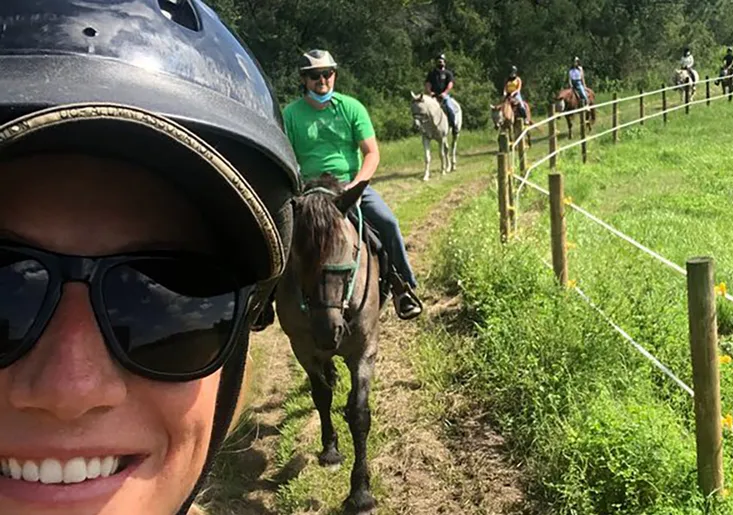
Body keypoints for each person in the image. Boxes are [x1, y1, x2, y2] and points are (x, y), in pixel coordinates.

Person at [0, 1, 297, 515]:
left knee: (375, 224)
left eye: (160, 302)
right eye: (5, 292)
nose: (70, 390)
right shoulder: (301, 114)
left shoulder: (347, 110)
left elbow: (368, 152)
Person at [282, 50, 423, 320]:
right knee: (279, 234)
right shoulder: (290, 114)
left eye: (327, 74)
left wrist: (357, 185)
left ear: (334, 75)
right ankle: (263, 301)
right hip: (310, 190)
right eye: (314, 75)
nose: (322, 80)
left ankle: (403, 287)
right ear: (304, 78)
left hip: (349, 186)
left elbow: (372, 152)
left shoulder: (352, 108)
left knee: (388, 223)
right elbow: (286, 155)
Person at [424, 54, 458, 132]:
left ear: (444, 62)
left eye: (442, 61)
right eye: (438, 61)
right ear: (436, 62)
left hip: (444, 96)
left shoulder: (448, 73)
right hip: (433, 96)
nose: (440, 62)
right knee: (423, 109)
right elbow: (428, 84)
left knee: (450, 108)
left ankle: (453, 126)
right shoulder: (432, 73)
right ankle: (422, 128)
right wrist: (430, 92)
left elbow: (450, 84)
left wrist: (445, 93)